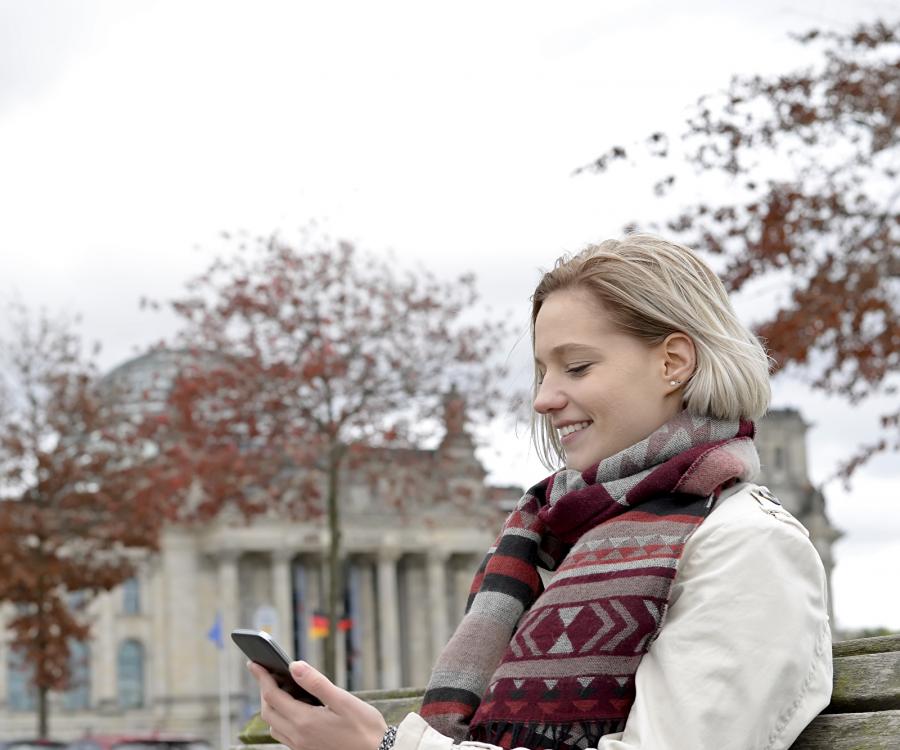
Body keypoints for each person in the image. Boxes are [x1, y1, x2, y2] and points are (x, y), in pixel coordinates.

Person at [248, 234, 833, 750]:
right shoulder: (553, 539)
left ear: (674, 362)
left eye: (576, 367)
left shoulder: (749, 547)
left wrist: (385, 749)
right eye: (542, 372)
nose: (543, 398)